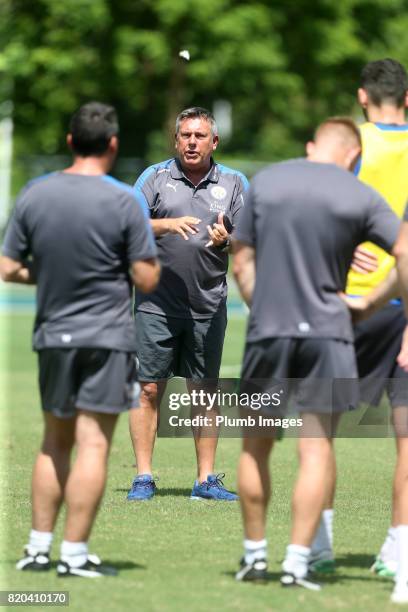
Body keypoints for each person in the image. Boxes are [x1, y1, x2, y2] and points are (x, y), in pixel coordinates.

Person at [232, 117, 400, 590]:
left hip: (269, 331)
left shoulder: (265, 182)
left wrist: (260, 303)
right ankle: (298, 562)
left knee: (255, 446)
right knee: (316, 449)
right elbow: (404, 253)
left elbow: (241, 258)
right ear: (353, 156)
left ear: (310, 147)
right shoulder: (359, 195)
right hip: (329, 334)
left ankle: (254, 557)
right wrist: (368, 301)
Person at [0, 102, 160, 577]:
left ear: (70, 141)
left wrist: (50, 275)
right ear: (112, 145)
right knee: (93, 445)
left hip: (53, 336)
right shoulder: (124, 201)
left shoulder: (35, 192)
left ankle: (36, 548)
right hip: (107, 339)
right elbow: (147, 277)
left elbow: (8, 266)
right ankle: (73, 555)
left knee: (54, 441)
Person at [310, 58, 408, 586]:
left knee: (320, 430)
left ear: (362, 97)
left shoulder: (350, 147)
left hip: (344, 305)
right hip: (404, 308)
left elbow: (318, 213)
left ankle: (319, 544)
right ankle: (398, 551)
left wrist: (346, 256)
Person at [127, 107, 248, 501]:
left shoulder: (233, 182)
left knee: (204, 392)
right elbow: (124, 226)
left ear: (215, 142)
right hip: (155, 304)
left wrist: (226, 240)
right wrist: (165, 224)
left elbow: (250, 238)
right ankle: (144, 477)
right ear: (175, 140)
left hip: (208, 305)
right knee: (147, 389)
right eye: (185, 135)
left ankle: (205, 480)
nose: (191, 142)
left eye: (199, 136)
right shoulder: (154, 177)